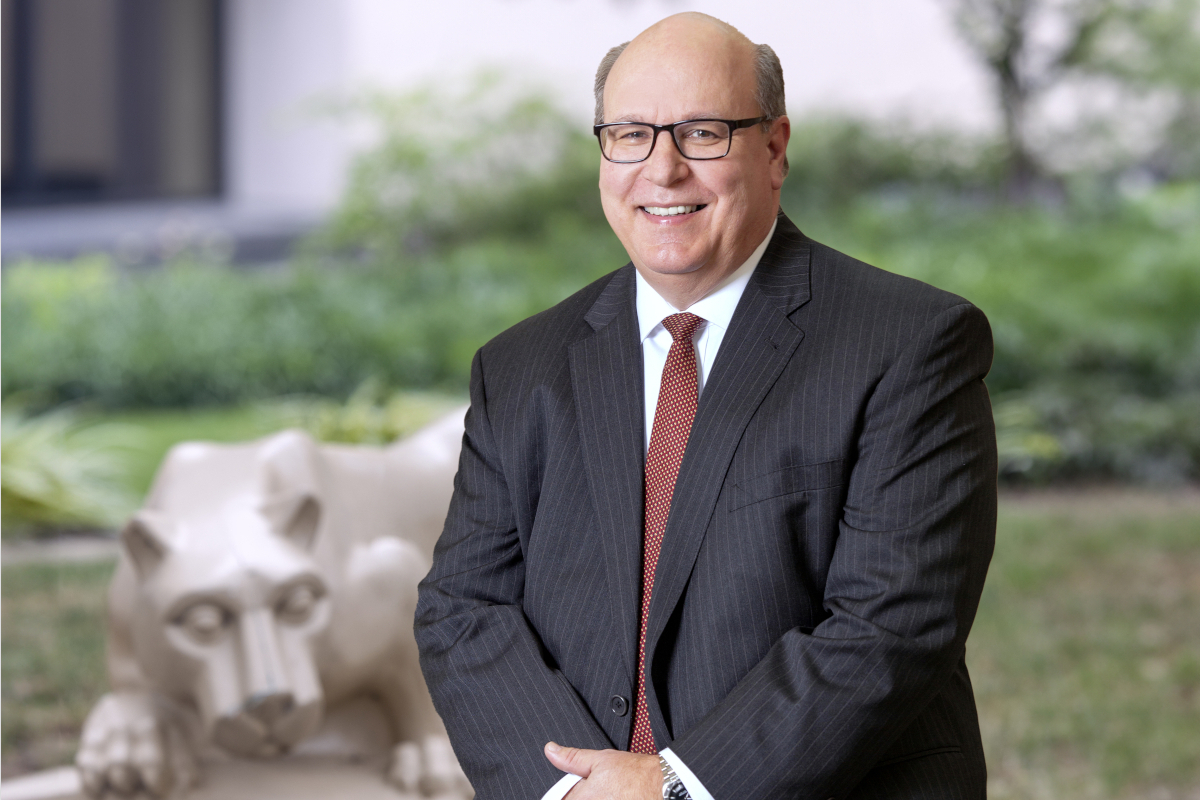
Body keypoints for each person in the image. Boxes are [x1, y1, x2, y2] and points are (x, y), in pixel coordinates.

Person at [415, 12, 996, 800]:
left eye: (702, 133)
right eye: (630, 134)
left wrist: (674, 787)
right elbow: (464, 608)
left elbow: (890, 624)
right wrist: (573, 790)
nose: (662, 170)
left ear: (775, 147)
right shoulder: (518, 368)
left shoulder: (910, 344)